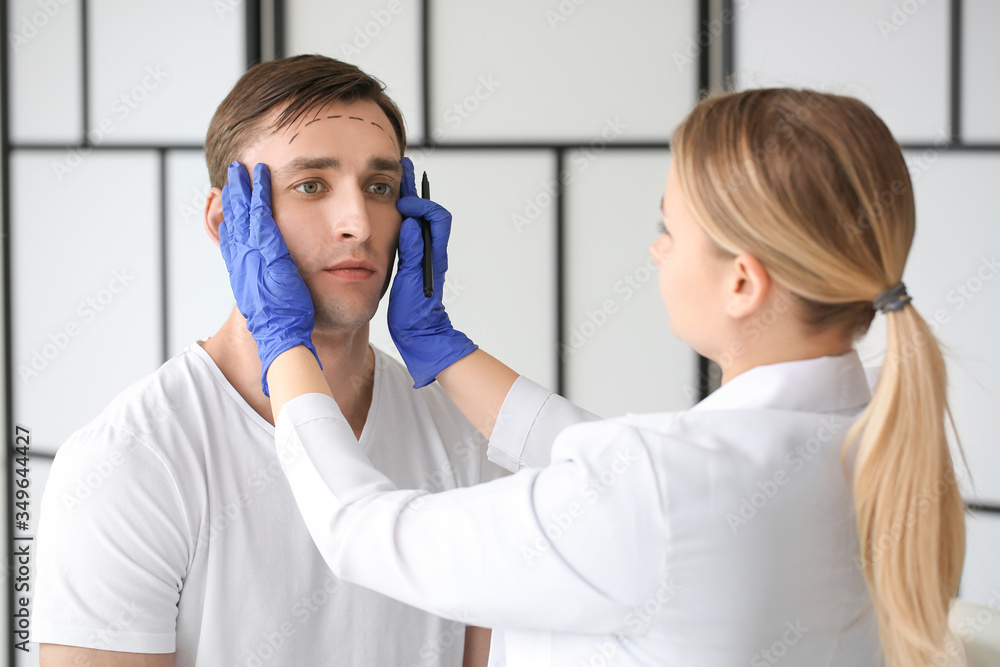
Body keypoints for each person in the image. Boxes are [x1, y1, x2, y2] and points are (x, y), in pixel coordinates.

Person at [220, 88, 968, 666]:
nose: (655, 251)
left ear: (743, 282)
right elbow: (616, 476)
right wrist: (440, 348)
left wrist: (283, 341)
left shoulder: (662, 487)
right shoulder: (872, 442)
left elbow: (364, 532)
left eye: (670, 228)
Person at [32, 55, 505, 666]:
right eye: (311, 185)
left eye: (380, 187)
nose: (357, 223)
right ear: (226, 219)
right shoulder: (131, 460)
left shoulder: (464, 429)